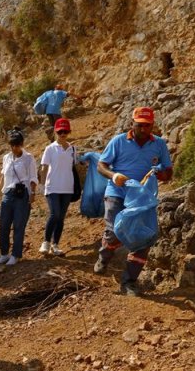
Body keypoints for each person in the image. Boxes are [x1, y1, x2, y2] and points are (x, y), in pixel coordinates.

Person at [94, 106, 173, 296]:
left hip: (142, 198)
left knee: (143, 237)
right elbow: (101, 165)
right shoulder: (119, 141)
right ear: (132, 124)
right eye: (140, 125)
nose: (143, 130)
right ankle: (104, 256)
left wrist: (159, 173)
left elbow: (168, 172)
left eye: (147, 126)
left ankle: (129, 282)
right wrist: (114, 176)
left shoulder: (159, 144)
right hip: (117, 192)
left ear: (152, 125)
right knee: (114, 231)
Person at [0, 130, 38, 265]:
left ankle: (16, 254)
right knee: (3, 224)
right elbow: (3, 176)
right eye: (12, 145)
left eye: (17, 145)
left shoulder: (29, 158)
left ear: (22, 144)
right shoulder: (6, 158)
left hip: (22, 194)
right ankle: (4, 253)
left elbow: (33, 178)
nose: (14, 148)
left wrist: (32, 193)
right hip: (8, 193)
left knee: (19, 225)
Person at [39, 118, 78, 256]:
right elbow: (44, 168)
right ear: (56, 132)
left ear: (69, 132)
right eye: (60, 131)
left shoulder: (73, 149)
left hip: (67, 187)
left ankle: (55, 245)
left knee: (61, 217)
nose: (63, 134)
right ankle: (46, 242)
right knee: (54, 214)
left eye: (65, 131)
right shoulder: (50, 149)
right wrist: (42, 185)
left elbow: (75, 165)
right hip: (52, 187)